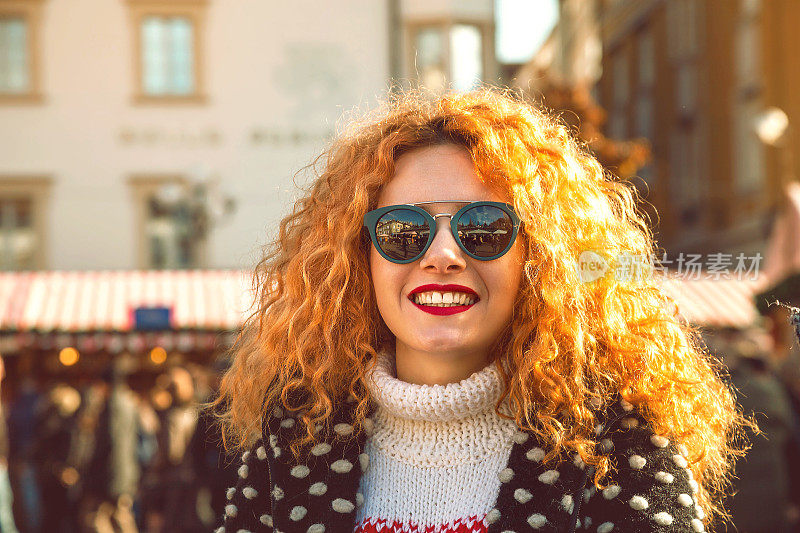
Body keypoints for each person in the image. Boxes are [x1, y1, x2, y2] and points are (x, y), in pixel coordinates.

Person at [210, 89, 756, 532]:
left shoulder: (621, 452)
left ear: (539, 259)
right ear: (361, 259)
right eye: (404, 231)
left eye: (484, 229)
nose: (442, 255)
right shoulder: (291, 448)